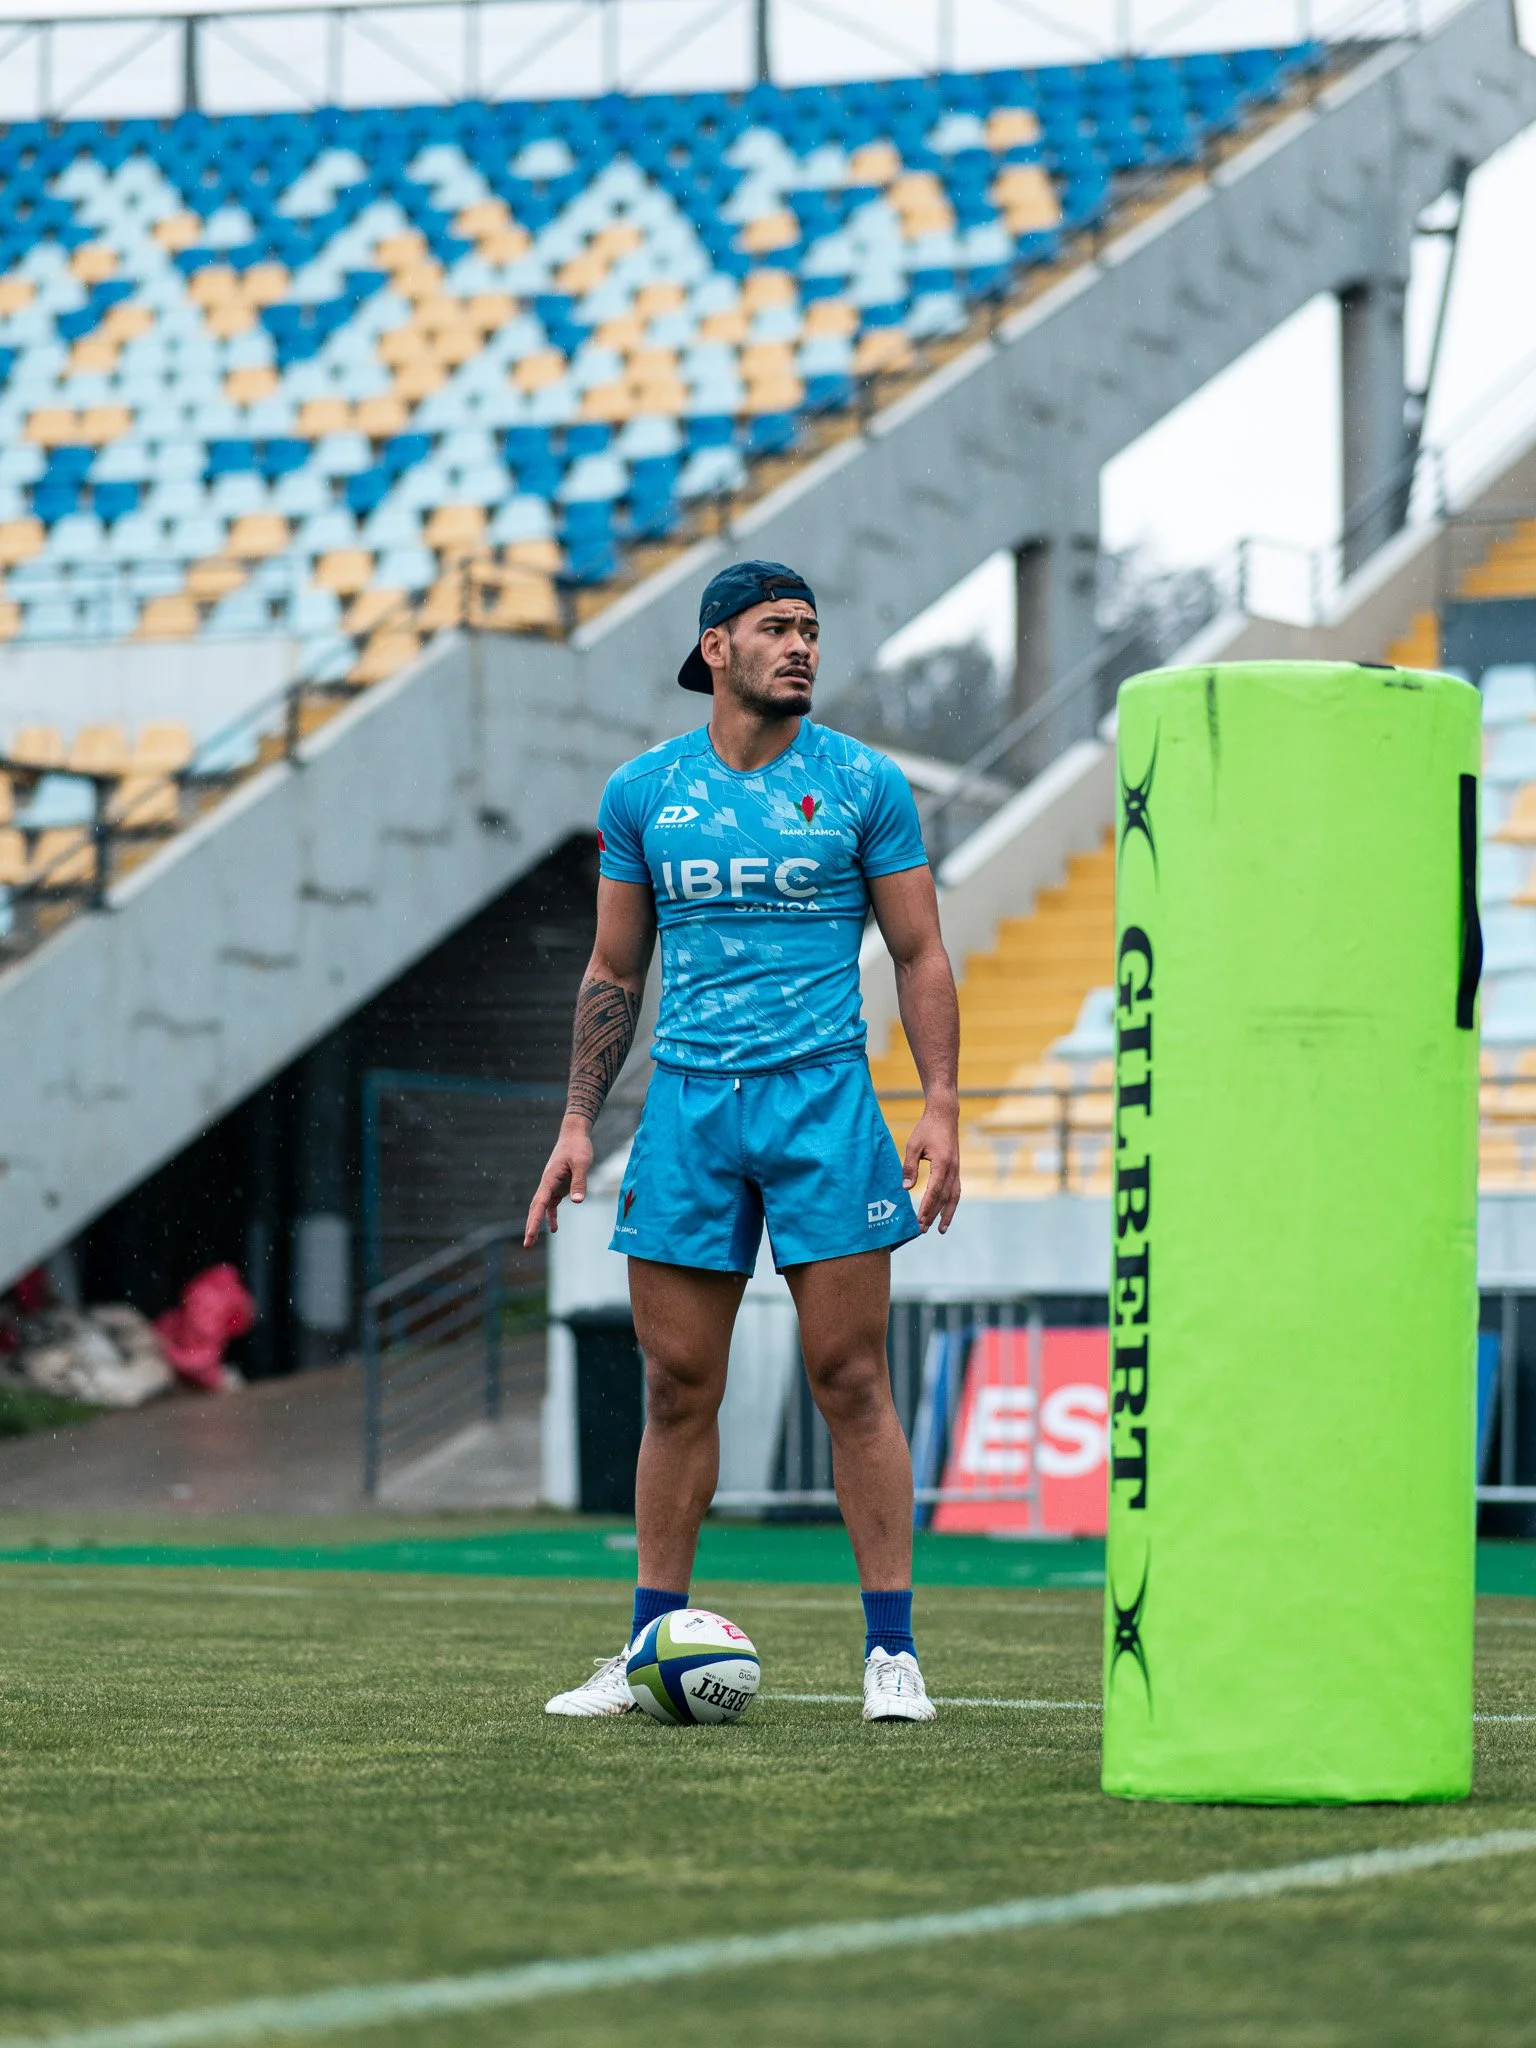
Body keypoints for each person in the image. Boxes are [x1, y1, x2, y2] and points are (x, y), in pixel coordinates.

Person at [526, 560, 962, 1723]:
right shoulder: (644, 793)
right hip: (688, 1110)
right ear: (715, 647)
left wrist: (941, 1103)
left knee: (850, 1376)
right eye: (778, 627)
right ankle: (641, 1648)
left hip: (825, 1101)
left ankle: (892, 1654)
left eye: (813, 628)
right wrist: (576, 1121)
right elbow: (616, 969)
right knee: (675, 1386)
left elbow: (919, 952)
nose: (803, 646)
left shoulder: (865, 783)